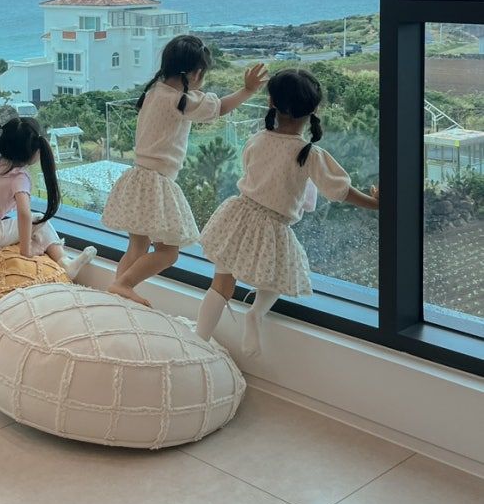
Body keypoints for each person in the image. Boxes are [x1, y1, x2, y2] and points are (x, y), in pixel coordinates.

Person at [196, 68, 379, 355]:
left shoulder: (257, 139)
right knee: (278, 275)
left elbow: (250, 171)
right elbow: (340, 191)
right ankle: (256, 314)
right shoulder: (308, 153)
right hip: (272, 224)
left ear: (271, 102)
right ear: (314, 109)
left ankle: (198, 339)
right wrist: (375, 203)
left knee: (220, 284)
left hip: (238, 215)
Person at [102, 34, 268, 306]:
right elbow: (220, 108)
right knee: (168, 253)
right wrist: (248, 90)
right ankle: (123, 285)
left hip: (137, 177)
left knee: (138, 246)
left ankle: (116, 293)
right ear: (196, 73)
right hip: (156, 183)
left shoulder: (154, 92)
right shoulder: (180, 101)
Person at [0, 116, 96, 280]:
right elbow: (24, 213)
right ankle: (65, 262)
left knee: (21, 224)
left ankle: (54, 254)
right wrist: (25, 251)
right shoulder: (19, 176)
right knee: (39, 220)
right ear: (35, 151)